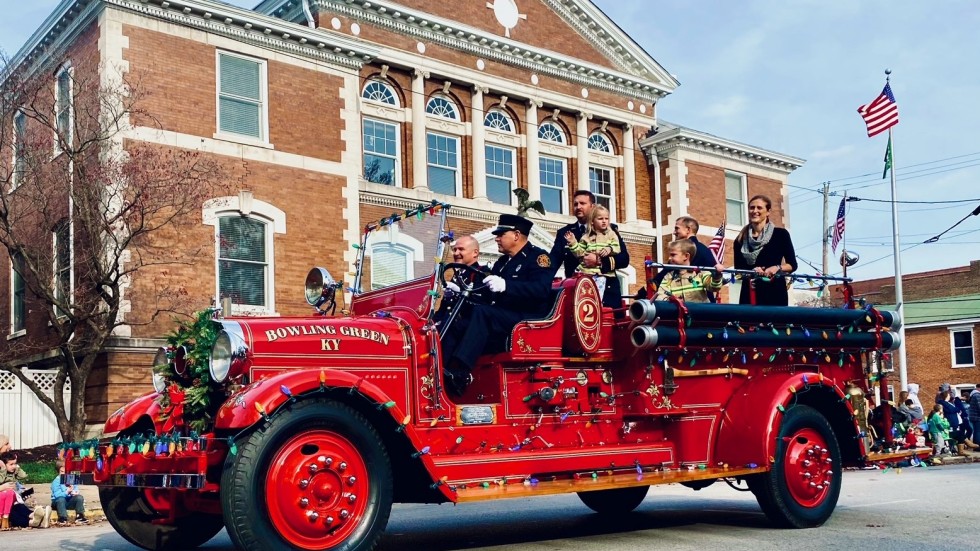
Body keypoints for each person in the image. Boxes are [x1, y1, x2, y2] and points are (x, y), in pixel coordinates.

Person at [440, 214, 552, 396]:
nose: (497, 239)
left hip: (527, 318)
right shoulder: (502, 263)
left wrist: (507, 286)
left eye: (501, 234)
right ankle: (440, 368)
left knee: (483, 313)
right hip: (502, 316)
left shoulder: (538, 257)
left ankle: (460, 372)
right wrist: (461, 291)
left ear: (516, 235)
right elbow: (486, 292)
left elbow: (541, 290)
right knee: (460, 320)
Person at [549, 190, 629, 308]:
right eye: (575, 204)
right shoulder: (565, 234)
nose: (578, 207)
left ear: (593, 207)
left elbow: (624, 259)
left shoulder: (609, 231)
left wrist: (599, 261)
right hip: (576, 294)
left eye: (582, 203)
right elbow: (553, 263)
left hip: (607, 294)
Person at [732, 194, 797, 306]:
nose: (754, 211)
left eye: (759, 207)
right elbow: (739, 271)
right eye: (752, 208)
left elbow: (792, 265)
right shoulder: (740, 239)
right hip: (750, 293)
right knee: (749, 323)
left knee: (775, 323)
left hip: (775, 293)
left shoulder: (781, 235)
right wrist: (752, 272)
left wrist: (777, 268)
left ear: (768, 212)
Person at [653, 216, 723, 301]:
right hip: (705, 306)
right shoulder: (705, 249)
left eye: (677, 228)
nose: (674, 232)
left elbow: (661, 277)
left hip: (697, 306)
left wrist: (645, 291)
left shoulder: (685, 254)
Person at [564, 204, 620, 298]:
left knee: (597, 295)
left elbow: (617, 247)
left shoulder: (611, 234)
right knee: (582, 293)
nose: (604, 221)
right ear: (592, 221)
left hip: (602, 274)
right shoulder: (586, 237)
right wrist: (573, 243)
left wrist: (609, 249)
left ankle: (596, 306)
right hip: (585, 272)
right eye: (600, 218)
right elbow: (579, 253)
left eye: (606, 219)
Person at [654, 240, 723, 303]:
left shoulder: (699, 273)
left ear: (686, 256)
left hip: (700, 315)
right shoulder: (669, 277)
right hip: (680, 314)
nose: (669, 258)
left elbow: (714, 287)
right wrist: (668, 301)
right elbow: (661, 295)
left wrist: (717, 276)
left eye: (673, 255)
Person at [439, 235, 489, 320]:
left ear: (475, 253)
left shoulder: (481, 272)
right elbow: (445, 306)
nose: (456, 253)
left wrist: (459, 292)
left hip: (465, 326)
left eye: (461, 249)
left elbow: (480, 303)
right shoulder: (457, 274)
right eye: (455, 249)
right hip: (447, 325)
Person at [51, 459, 88, 525]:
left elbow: (76, 489)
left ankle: (80, 515)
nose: (64, 474)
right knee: (61, 499)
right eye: (62, 472)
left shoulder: (71, 479)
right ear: (58, 471)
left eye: (66, 472)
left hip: (69, 501)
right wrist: (67, 492)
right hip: (58, 502)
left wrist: (74, 492)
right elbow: (57, 495)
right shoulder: (56, 481)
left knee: (79, 498)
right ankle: (63, 517)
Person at [1, 451, 27, 530]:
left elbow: (23, 476)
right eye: (11, 464)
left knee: (9, 493)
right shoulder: (2, 472)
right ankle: (1, 518)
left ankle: (6, 517)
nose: (13, 466)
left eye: (15, 464)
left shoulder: (14, 472)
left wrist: (18, 468)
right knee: (3, 495)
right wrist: (3, 470)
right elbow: (1, 480)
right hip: (2, 494)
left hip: (12, 495)